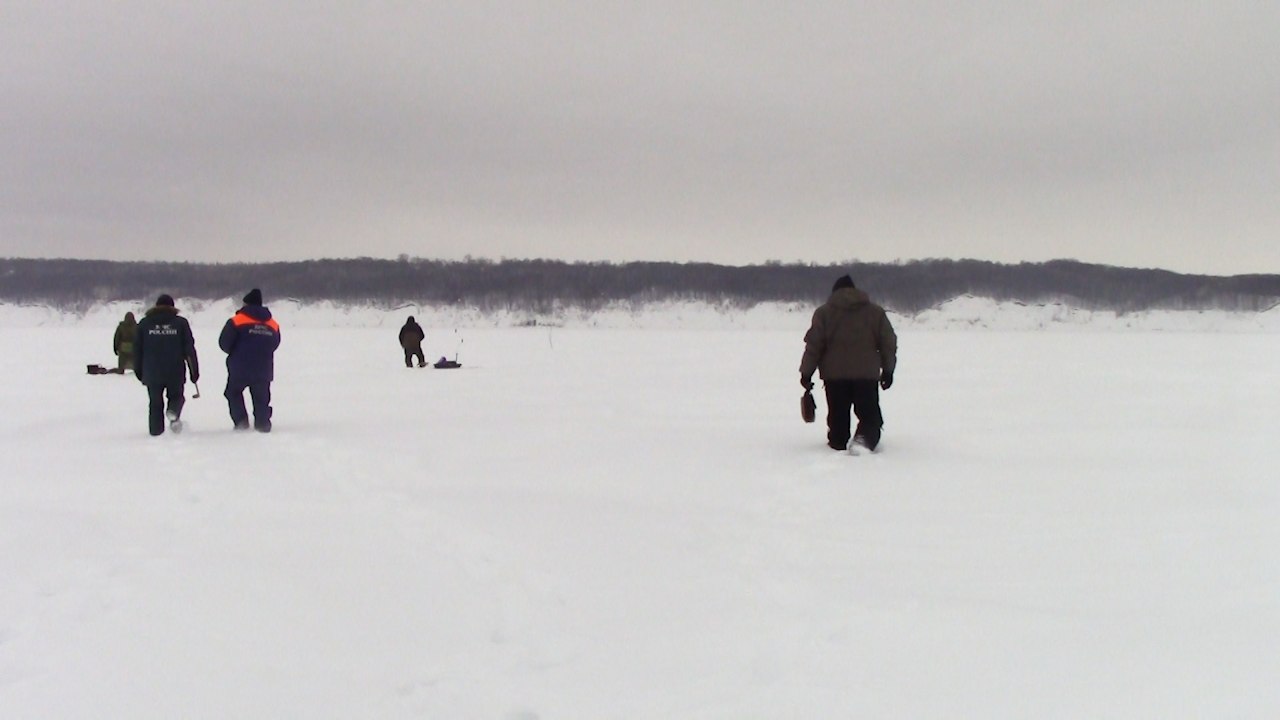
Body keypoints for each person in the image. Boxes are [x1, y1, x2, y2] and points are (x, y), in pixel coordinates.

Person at [799, 274, 897, 452]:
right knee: (869, 417)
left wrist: (806, 373)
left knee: (838, 420)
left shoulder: (824, 313)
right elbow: (888, 342)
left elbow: (814, 346)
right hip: (866, 376)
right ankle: (863, 443)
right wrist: (888, 370)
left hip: (834, 377)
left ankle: (838, 444)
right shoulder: (875, 313)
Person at [134, 295, 199, 436]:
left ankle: (156, 433)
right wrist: (194, 372)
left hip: (151, 371)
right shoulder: (181, 323)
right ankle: (174, 413)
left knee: (155, 403)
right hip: (175, 370)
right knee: (177, 397)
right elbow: (189, 349)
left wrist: (139, 371)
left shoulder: (144, 324)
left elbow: (137, 350)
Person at [219, 288, 281, 432]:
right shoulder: (272, 324)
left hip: (239, 367)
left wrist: (235, 353)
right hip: (263, 368)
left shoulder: (236, 320)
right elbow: (275, 343)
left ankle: (241, 422)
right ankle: (263, 424)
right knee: (261, 398)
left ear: (246, 304)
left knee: (233, 392)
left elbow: (224, 343)